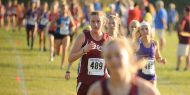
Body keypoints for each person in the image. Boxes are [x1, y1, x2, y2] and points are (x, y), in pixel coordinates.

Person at [88, 37, 160, 95]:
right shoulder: (97, 90)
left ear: (129, 57)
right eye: (109, 57)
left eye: (118, 55)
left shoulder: (146, 90)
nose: (113, 60)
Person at [65, 11, 110, 95]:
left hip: (102, 82)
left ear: (103, 22)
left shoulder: (108, 39)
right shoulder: (83, 36)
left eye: (98, 21)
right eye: (93, 21)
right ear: (89, 22)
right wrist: (84, 50)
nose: (95, 24)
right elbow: (70, 58)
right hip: (85, 83)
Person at [136, 21, 166, 86]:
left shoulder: (155, 43)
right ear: (140, 32)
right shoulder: (137, 44)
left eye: (146, 29)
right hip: (140, 75)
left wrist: (161, 60)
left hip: (151, 75)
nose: (144, 31)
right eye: (142, 29)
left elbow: (157, 57)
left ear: (150, 30)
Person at [54, 4, 75, 69]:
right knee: (57, 51)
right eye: (63, 8)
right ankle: (57, 51)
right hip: (58, 34)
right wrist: (58, 26)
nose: (64, 10)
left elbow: (73, 25)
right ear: (61, 9)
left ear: (67, 9)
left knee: (64, 49)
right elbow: (54, 23)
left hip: (66, 34)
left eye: (65, 8)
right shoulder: (58, 16)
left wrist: (72, 29)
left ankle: (62, 65)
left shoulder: (69, 17)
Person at [176, 5, 190, 71]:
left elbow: (182, 26)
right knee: (188, 55)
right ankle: (187, 67)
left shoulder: (185, 18)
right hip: (189, 40)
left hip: (183, 39)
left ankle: (177, 67)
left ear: (185, 11)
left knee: (180, 55)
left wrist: (179, 29)